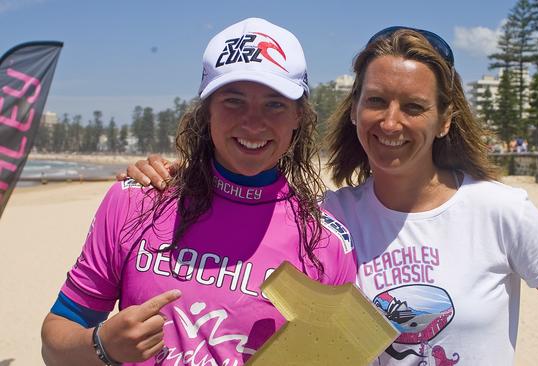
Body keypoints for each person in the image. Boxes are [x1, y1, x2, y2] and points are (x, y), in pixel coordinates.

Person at [124, 27, 538, 365]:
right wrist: (175, 178)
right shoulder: (326, 222)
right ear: (354, 111)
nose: (391, 122)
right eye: (376, 101)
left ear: (445, 119)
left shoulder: (499, 211)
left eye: (415, 106)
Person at [40, 18, 357, 366]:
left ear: (299, 115)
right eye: (233, 101)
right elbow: (55, 345)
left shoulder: (325, 241)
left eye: (274, 104)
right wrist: (101, 346)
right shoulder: (135, 201)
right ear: (206, 112)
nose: (253, 122)